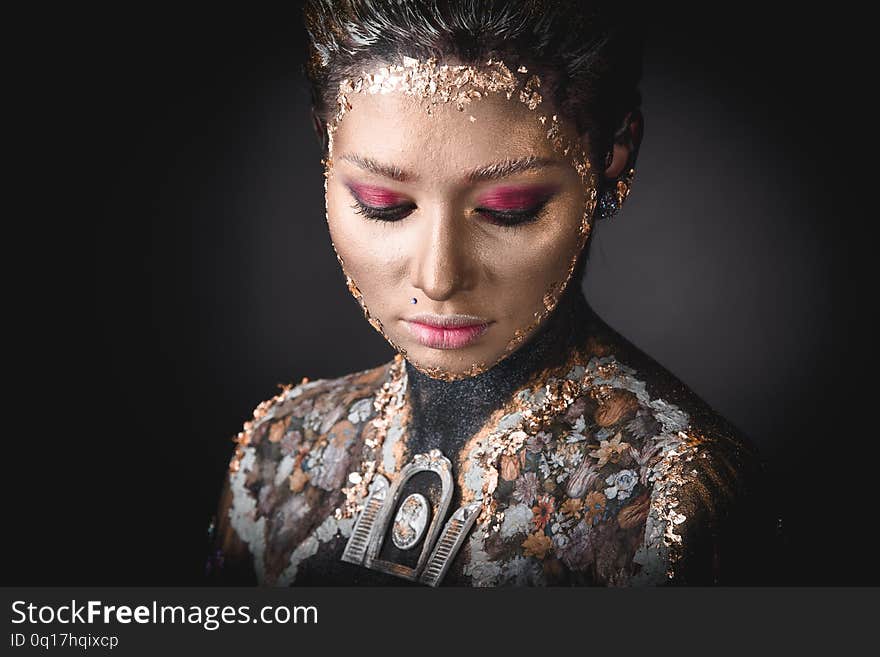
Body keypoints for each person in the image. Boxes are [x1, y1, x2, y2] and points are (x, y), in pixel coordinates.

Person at [206, 0, 768, 587]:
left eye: (510, 211)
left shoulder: (671, 499)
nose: (439, 277)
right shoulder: (275, 453)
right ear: (326, 152)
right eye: (384, 205)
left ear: (613, 154)